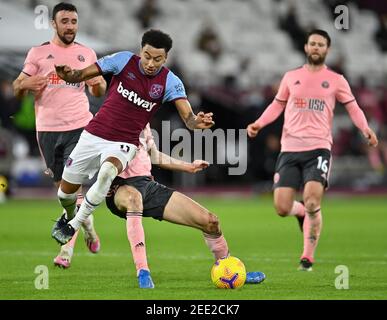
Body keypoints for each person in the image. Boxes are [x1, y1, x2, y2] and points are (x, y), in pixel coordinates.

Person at [51, 29, 215, 246]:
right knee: (65, 194)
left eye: (157, 59)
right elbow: (79, 75)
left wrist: (197, 122)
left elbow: (189, 119)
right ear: (141, 51)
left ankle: (74, 224)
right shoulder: (122, 61)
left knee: (108, 172)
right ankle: (69, 215)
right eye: (147, 56)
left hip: (124, 143)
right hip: (94, 135)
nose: (150, 63)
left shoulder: (170, 82)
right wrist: (67, 74)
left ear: (166, 58)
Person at [247, 29, 378, 271]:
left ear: (327, 50)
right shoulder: (291, 77)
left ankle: (307, 257)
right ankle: (300, 214)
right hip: (289, 149)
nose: (316, 48)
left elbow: (354, 108)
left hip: (318, 148)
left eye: (321, 44)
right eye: (312, 44)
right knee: (282, 207)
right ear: (306, 48)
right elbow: (277, 105)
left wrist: (365, 129)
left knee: (311, 200)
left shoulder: (337, 80)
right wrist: (259, 123)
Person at [105, 124, 265, 288]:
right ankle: (143, 272)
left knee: (211, 221)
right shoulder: (111, 116)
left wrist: (189, 166)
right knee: (133, 199)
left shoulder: (144, 118)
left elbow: (154, 156)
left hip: (147, 185)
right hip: (120, 187)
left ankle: (228, 271)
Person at [12, 2, 107, 267]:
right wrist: (25, 85)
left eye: (73, 21)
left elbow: (98, 91)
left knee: (72, 188)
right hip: (48, 132)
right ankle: (87, 225)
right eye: (64, 21)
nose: (70, 26)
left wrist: (98, 84)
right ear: (54, 23)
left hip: (80, 128)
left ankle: (66, 251)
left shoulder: (86, 54)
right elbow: (17, 86)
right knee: (65, 196)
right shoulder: (39, 53)